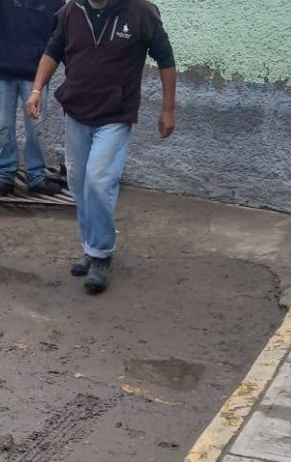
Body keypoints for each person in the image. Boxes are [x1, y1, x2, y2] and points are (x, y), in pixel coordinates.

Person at [27, 0, 177, 294]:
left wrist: (168, 109)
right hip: (77, 111)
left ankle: (102, 255)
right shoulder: (71, 12)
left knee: (98, 180)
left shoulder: (140, 12)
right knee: (79, 181)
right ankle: (91, 246)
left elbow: (166, 60)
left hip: (115, 115)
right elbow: (52, 51)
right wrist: (36, 90)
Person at [0, 0, 65, 197]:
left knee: (37, 129)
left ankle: (35, 177)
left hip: (36, 74)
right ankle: (5, 177)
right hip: (3, 69)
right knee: (5, 126)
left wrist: (75, 69)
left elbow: (63, 33)